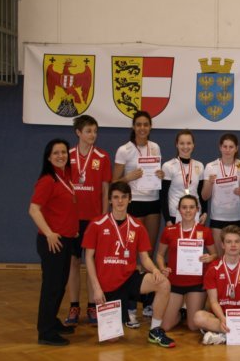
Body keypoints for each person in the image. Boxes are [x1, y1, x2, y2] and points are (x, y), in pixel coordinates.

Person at [83, 182, 176, 348]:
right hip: (107, 287)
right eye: (116, 197)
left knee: (164, 283)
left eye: (124, 197)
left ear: (130, 199)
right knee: (112, 339)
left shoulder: (137, 226)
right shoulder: (96, 224)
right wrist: (96, 288)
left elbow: (144, 258)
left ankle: (155, 330)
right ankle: (121, 314)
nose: (120, 201)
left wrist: (155, 270)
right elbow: (88, 258)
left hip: (128, 279)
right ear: (110, 200)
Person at [113, 110, 164, 324]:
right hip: (134, 204)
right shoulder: (124, 150)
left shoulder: (155, 148)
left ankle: (148, 302)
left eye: (146, 124)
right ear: (133, 127)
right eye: (139, 124)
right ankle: (131, 306)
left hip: (153, 202)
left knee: (148, 254)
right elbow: (114, 182)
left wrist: (161, 175)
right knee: (134, 257)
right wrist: (128, 177)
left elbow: (157, 175)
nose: (142, 128)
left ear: (150, 127)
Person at [29, 139, 80, 346]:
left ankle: (51, 321)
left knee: (59, 285)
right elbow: (33, 209)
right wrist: (49, 233)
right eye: (56, 153)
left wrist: (72, 228)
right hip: (53, 242)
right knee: (51, 287)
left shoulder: (65, 176)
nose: (61, 156)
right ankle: (45, 331)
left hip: (65, 240)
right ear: (48, 157)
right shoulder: (47, 180)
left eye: (64, 152)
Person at [64, 115, 111, 327]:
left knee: (93, 263)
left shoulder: (102, 156)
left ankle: (93, 305)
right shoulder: (67, 156)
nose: (93, 135)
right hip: (73, 220)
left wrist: (103, 218)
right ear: (78, 133)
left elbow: (105, 190)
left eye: (95, 131)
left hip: (94, 221)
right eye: (88, 131)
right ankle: (74, 306)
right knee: (74, 262)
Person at [156, 194, 217, 333]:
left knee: (193, 326)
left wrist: (209, 258)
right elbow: (159, 255)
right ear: (178, 210)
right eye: (184, 207)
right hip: (174, 283)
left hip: (196, 283)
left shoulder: (205, 231)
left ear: (197, 209)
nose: (188, 211)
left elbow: (215, 255)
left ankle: (192, 312)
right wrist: (162, 268)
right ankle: (181, 313)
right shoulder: (169, 231)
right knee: (165, 326)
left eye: (191, 207)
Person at [201, 133, 240, 252]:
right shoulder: (210, 166)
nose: (227, 150)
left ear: (236, 148)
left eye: (231, 147)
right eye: (225, 146)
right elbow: (205, 196)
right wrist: (209, 183)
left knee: (237, 256)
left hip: (238, 216)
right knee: (219, 257)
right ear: (220, 147)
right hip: (218, 217)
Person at [161, 129, 205, 225]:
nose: (185, 147)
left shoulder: (199, 165)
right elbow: (163, 195)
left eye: (189, 143)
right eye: (182, 143)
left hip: (196, 214)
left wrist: (205, 212)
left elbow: (201, 192)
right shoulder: (168, 166)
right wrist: (167, 219)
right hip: (175, 214)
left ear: (193, 145)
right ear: (176, 145)